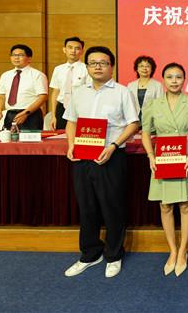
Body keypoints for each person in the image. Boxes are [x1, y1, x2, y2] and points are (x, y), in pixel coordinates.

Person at [63, 46, 139, 279]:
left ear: (111, 67)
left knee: (112, 206)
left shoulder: (122, 92)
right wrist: (71, 144)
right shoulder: (78, 92)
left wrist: (113, 145)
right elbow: (71, 121)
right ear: (87, 67)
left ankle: (114, 255)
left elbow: (133, 123)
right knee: (87, 207)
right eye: (93, 63)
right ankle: (90, 253)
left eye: (103, 63)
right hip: (82, 156)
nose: (98, 66)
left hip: (111, 156)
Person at [141, 63, 188, 277]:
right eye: (170, 77)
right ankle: (172, 250)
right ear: (163, 80)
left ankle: (183, 250)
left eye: (178, 77)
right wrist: (150, 156)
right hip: (162, 158)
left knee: (186, 204)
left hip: (185, 157)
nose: (174, 81)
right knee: (165, 206)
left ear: (184, 79)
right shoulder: (153, 104)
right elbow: (145, 133)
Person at [0, 44, 48, 130]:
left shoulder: (37, 75)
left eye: (20, 55)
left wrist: (26, 113)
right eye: (13, 55)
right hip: (10, 114)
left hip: (31, 114)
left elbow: (43, 97)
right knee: (9, 138)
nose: (16, 58)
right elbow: (0, 96)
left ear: (29, 58)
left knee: (29, 138)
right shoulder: (5, 75)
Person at [49, 37, 88, 130]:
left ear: (82, 51)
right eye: (70, 47)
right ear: (64, 49)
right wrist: (53, 115)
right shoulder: (58, 69)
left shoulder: (86, 68)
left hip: (80, 108)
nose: (73, 51)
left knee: (79, 135)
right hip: (61, 108)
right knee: (61, 135)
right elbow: (55, 92)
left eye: (77, 48)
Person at [127, 55, 164, 124]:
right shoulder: (130, 85)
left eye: (147, 66)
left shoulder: (158, 85)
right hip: (134, 120)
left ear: (152, 69)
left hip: (151, 120)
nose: (144, 68)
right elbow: (128, 105)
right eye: (141, 66)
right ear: (137, 69)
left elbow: (160, 105)